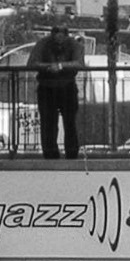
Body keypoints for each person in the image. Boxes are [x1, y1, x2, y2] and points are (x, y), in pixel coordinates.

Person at [27, 24, 83, 159]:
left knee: (68, 122)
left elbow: (80, 63)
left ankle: (70, 152)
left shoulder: (73, 44)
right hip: (48, 87)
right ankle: (51, 153)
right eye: (57, 34)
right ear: (52, 35)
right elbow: (31, 63)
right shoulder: (43, 44)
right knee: (48, 122)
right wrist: (49, 67)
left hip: (65, 87)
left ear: (66, 35)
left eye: (62, 34)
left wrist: (59, 66)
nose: (59, 37)